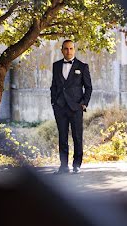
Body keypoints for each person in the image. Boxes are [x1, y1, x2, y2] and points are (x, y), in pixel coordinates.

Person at [50, 39, 92, 174]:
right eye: (66, 49)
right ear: (62, 50)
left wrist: (84, 104)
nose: (68, 51)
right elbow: (54, 86)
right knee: (62, 137)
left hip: (76, 107)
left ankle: (77, 165)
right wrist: (53, 102)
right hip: (60, 107)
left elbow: (89, 87)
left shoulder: (82, 66)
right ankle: (63, 166)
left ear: (74, 50)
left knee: (77, 137)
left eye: (71, 49)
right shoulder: (56, 65)